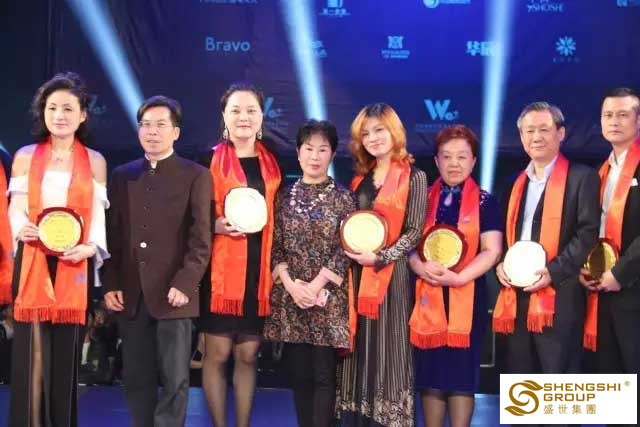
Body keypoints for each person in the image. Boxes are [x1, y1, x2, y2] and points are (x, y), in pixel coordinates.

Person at [102, 95, 211, 427]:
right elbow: (111, 235)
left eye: (161, 125)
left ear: (175, 132)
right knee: (136, 377)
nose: (152, 131)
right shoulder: (122, 175)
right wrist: (111, 283)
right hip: (131, 293)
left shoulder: (196, 175)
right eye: (146, 125)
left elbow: (201, 238)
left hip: (174, 295)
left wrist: (185, 283)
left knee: (175, 380)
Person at [6, 71, 108, 427]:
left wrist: (90, 247)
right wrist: (21, 227)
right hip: (33, 260)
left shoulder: (95, 161)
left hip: (73, 263)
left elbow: (97, 215)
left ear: (82, 115)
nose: (59, 115)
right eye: (52, 107)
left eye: (68, 108)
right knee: (31, 358)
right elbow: (15, 209)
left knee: (65, 362)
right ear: (42, 112)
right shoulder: (25, 156)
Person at [337, 103, 428, 427]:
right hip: (358, 274)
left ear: (394, 131)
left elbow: (414, 231)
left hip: (393, 278)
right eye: (366, 134)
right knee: (360, 349)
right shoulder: (359, 179)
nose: (373, 138)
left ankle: (388, 418)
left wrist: (382, 256)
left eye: (379, 130)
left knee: (391, 352)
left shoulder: (415, 176)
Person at [493, 102, 600, 375]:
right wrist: (500, 263)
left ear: (560, 133)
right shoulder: (514, 183)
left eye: (544, 129)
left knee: (557, 383)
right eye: (529, 131)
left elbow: (587, 233)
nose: (536, 137)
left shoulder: (582, 177)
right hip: (517, 295)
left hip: (560, 295)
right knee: (522, 385)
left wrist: (553, 271)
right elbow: (506, 237)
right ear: (521, 137)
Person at [408, 125, 502, 427]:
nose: (454, 163)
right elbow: (408, 245)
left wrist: (459, 278)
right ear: (436, 161)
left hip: (467, 296)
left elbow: (492, 250)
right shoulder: (421, 198)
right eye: (447, 156)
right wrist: (419, 267)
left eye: (462, 156)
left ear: (473, 161)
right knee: (431, 376)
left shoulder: (486, 202)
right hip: (427, 295)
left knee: (462, 377)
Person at [264, 119, 356, 427]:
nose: (315, 156)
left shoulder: (343, 197)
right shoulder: (283, 196)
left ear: (333, 154)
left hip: (327, 299)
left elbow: (346, 247)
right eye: (308, 149)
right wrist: (292, 286)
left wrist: (315, 286)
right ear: (298, 152)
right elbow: (275, 247)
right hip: (292, 299)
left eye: (322, 149)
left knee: (323, 376)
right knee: (300, 376)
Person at [200, 82, 281, 427]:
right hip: (217, 272)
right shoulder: (207, 160)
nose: (243, 117)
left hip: (258, 270)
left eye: (251, 110)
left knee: (248, 354)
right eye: (235, 110)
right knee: (217, 353)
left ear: (262, 116)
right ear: (224, 116)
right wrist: (213, 225)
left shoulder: (275, 162)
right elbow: (190, 213)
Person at [580, 87, 640, 375]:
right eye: (608, 115)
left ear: (638, 121)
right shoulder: (599, 171)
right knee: (610, 383)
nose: (614, 121)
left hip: (632, 286)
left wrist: (620, 273)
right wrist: (586, 267)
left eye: (623, 115)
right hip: (602, 290)